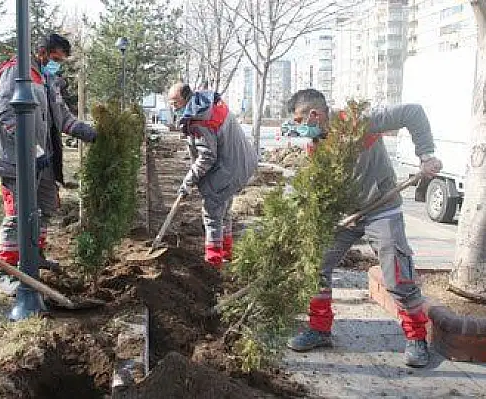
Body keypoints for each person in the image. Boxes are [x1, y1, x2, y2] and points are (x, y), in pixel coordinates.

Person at [285, 89, 443, 368]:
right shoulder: (316, 142)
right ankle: (320, 329)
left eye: (299, 119)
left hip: (381, 209)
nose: (299, 126)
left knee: (397, 276)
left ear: (315, 115)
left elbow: (413, 112)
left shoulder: (358, 121)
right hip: (346, 216)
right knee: (315, 264)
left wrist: (426, 155)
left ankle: (417, 338)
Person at [0, 33, 97, 295]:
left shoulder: (50, 80)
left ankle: (35, 255)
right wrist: (31, 149)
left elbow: (63, 119)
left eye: (61, 61)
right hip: (17, 160)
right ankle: (7, 270)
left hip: (45, 161)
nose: (57, 64)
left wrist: (92, 133)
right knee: (17, 215)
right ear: (41, 52)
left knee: (45, 209)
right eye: (55, 58)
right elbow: (5, 113)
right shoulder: (17, 72)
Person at [167, 83, 258, 267]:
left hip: (230, 168)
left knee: (211, 213)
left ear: (186, 98)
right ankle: (226, 254)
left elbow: (207, 156)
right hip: (242, 162)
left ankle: (214, 262)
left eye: (175, 103)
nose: (173, 107)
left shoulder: (200, 120)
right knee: (223, 211)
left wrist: (188, 181)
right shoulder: (207, 104)